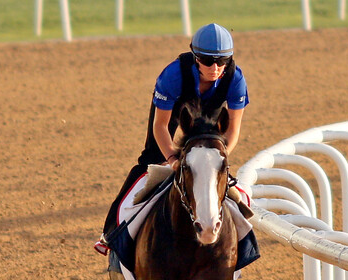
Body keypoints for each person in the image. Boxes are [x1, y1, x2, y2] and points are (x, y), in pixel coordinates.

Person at [95, 22, 249, 255]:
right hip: (175, 110)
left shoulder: (235, 79)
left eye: (222, 61)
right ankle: (110, 231)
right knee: (150, 160)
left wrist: (217, 161)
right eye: (207, 61)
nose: (215, 68)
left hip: (210, 118)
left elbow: (233, 132)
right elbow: (161, 126)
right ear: (196, 57)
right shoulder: (173, 75)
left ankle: (246, 240)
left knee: (215, 165)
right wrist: (172, 159)